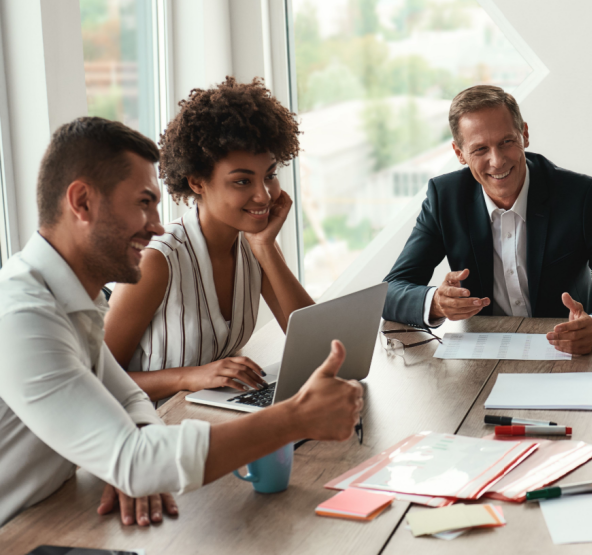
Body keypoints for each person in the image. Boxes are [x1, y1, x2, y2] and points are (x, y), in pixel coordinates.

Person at [0, 117, 363, 528]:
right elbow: (136, 458)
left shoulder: (67, 299)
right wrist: (295, 418)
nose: (156, 224)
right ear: (82, 202)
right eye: (142, 202)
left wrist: (141, 458)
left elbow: (126, 399)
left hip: (50, 514)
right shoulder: (23, 317)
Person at [382, 85, 592, 354]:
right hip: (484, 355)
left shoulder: (579, 196)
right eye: (480, 150)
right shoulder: (444, 199)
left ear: (524, 134)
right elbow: (390, 291)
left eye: (506, 142)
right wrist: (435, 303)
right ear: (459, 154)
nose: (497, 161)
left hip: (569, 352)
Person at [104, 77, 314, 402]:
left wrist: (265, 248)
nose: (263, 195)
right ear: (198, 182)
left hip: (211, 417)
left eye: (270, 175)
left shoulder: (256, 245)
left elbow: (320, 347)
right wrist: (190, 377)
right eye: (243, 181)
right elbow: (100, 381)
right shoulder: (157, 260)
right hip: (152, 429)